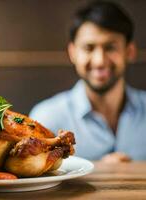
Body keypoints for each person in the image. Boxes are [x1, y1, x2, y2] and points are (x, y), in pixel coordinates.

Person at [30, 1, 146, 162]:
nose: (99, 61)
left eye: (110, 47)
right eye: (88, 48)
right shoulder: (47, 118)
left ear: (130, 51)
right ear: (72, 52)